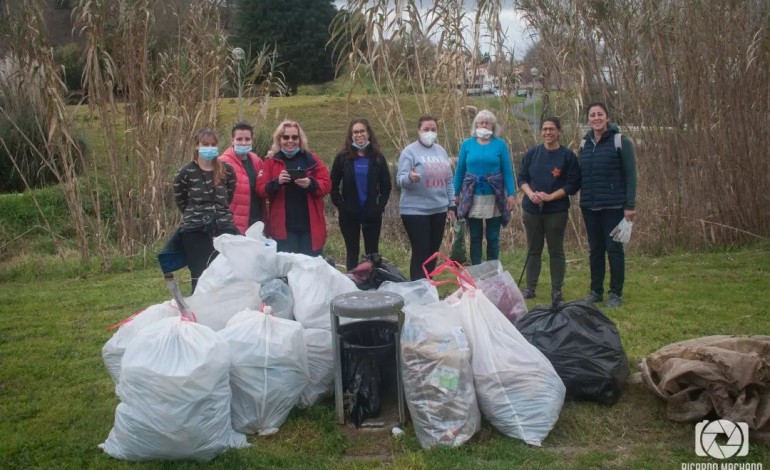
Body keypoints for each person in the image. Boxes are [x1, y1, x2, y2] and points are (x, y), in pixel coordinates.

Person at [579, 102, 637, 307]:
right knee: (595, 251)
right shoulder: (584, 144)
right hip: (590, 207)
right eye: (592, 115)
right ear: (588, 119)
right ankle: (596, 291)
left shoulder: (620, 141)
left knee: (614, 250)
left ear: (607, 118)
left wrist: (630, 205)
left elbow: (631, 175)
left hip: (614, 207)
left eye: (600, 114)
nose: (596, 118)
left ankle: (615, 293)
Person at [517, 117, 581, 305]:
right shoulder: (532, 154)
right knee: (533, 250)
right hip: (532, 210)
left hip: (556, 211)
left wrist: (550, 197)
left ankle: (556, 290)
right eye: (544, 129)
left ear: (559, 131)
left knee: (556, 251)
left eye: (551, 129)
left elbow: (573, 184)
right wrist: (530, 194)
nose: (547, 133)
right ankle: (530, 287)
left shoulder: (567, 156)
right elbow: (521, 178)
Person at [172, 128, 238, 292]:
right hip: (195, 230)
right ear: (197, 146)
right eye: (205, 144)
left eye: (213, 144)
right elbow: (181, 200)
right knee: (200, 274)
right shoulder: (185, 173)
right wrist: (197, 215)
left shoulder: (227, 170)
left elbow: (228, 197)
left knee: (226, 274)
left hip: (223, 228)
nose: (210, 148)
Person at [256, 120, 331, 256]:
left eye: (294, 137)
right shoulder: (271, 162)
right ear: (279, 139)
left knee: (310, 271)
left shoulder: (312, 159)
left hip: (310, 229)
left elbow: (327, 184)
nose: (290, 141)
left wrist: (311, 184)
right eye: (286, 137)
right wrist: (277, 182)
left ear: (300, 139)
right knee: (287, 272)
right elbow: (260, 190)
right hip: (284, 230)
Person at [397, 115, 456, 280]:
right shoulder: (409, 152)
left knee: (432, 252)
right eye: (426, 129)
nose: (430, 132)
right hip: (415, 211)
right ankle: (418, 288)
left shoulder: (441, 151)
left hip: (438, 209)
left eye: (433, 130)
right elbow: (400, 180)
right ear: (419, 131)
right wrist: (410, 177)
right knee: (421, 251)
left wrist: (451, 205)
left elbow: (448, 180)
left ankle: (429, 285)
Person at [453, 109, 516, 265]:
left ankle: (493, 268)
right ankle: (476, 268)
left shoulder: (500, 145)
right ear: (476, 125)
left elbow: (507, 171)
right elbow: (460, 170)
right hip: (471, 197)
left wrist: (512, 194)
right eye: (481, 122)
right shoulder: (467, 144)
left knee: (493, 236)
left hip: (494, 197)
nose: (484, 125)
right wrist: (455, 193)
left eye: (487, 123)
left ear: (493, 126)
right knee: (475, 236)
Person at [330, 118, 392, 271]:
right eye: (355, 132)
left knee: (372, 253)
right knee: (352, 251)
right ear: (351, 135)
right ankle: (352, 283)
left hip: (372, 213)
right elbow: (332, 185)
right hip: (349, 214)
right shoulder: (342, 158)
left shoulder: (377, 157)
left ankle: (373, 283)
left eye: (362, 131)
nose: (359, 135)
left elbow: (386, 186)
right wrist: (342, 206)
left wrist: (379, 207)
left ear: (368, 133)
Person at [218, 122, 264, 234]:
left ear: (252, 140)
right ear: (232, 140)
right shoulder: (222, 163)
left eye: (247, 139)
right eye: (239, 139)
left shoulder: (256, 160)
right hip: (234, 226)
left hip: (255, 222)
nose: (243, 143)